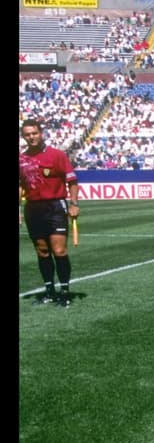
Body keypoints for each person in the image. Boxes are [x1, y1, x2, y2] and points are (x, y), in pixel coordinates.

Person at [19, 118, 79, 307]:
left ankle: (65, 291)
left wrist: (74, 203)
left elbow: (72, 182)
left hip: (55, 207)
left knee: (59, 250)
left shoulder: (57, 155)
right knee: (42, 251)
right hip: (33, 208)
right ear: (23, 137)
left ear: (41, 133)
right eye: (27, 134)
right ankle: (50, 291)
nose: (31, 137)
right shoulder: (22, 159)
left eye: (34, 133)